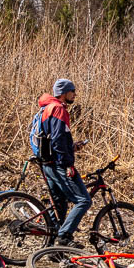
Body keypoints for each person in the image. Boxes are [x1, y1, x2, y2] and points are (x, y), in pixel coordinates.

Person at [36, 78, 91, 247]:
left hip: (48, 162)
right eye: (72, 90)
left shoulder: (47, 108)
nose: (75, 94)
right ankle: (64, 236)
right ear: (64, 93)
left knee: (59, 206)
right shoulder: (58, 109)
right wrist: (67, 164)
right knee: (83, 200)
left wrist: (71, 147)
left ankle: (50, 248)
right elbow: (58, 140)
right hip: (58, 164)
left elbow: (54, 139)